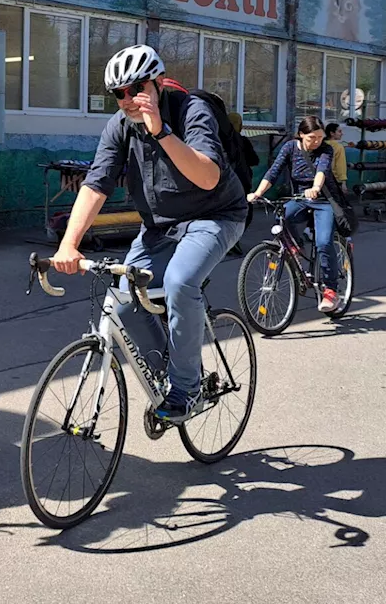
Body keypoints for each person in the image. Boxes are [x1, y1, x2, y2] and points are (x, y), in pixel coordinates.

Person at [51, 44, 247, 422]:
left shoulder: (192, 111)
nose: (127, 100)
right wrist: (69, 243)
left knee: (179, 283)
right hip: (160, 227)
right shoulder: (120, 125)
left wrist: (161, 132)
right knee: (124, 296)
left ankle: (185, 390)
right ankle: (166, 379)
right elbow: (96, 185)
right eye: (118, 94)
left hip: (216, 216)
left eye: (136, 89)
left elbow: (208, 177)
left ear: (157, 83)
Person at [246, 116, 341, 313]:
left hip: (323, 200)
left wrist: (315, 187)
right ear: (300, 135)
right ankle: (296, 251)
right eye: (312, 137)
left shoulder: (326, 149)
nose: (317, 141)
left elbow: (322, 170)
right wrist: (257, 193)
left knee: (323, 242)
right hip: (299, 198)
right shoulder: (290, 147)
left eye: (320, 137)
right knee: (282, 218)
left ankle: (331, 290)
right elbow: (273, 172)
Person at [227, 112, 260, 254]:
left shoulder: (220, 139)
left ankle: (229, 241)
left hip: (224, 183)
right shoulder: (243, 141)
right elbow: (255, 160)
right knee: (246, 213)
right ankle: (232, 241)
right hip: (242, 182)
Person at [324, 120, 349, 194]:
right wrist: (343, 183)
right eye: (339, 131)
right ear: (332, 133)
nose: (342, 134)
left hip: (320, 179)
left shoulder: (321, 145)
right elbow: (340, 166)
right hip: (334, 180)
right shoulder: (338, 147)